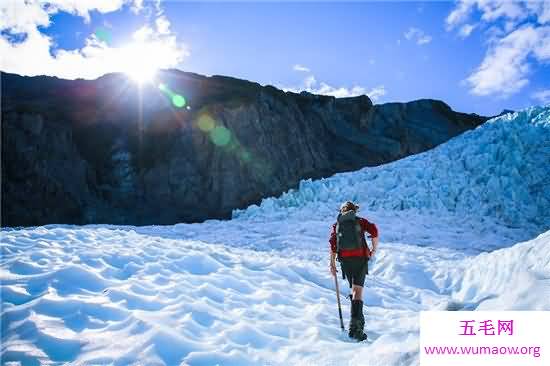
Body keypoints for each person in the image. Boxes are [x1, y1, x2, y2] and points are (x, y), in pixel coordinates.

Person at [329, 201, 379, 341]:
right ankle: (356, 328)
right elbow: (374, 231)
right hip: (360, 259)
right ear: (354, 211)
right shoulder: (360, 221)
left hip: (345, 261)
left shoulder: (337, 224)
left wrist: (332, 264)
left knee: (354, 290)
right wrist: (373, 249)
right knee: (358, 291)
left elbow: (333, 244)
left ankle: (356, 324)